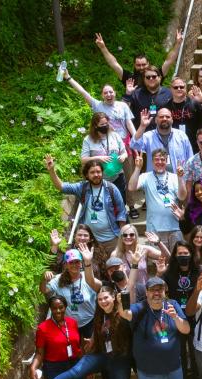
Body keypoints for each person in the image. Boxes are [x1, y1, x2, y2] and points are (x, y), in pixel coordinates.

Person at [63, 73, 138, 219]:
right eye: (105, 92)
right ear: (102, 95)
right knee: (106, 180)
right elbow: (83, 92)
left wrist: (137, 141)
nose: (109, 94)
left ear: (115, 93)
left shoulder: (123, 106)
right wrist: (69, 78)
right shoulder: (98, 106)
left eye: (111, 92)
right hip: (101, 148)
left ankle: (131, 205)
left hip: (121, 146)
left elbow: (129, 124)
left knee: (127, 178)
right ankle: (109, 212)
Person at [45, 155, 127, 253]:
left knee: (113, 267)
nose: (96, 175)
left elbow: (121, 214)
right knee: (92, 267)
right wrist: (51, 170)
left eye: (98, 172)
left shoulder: (111, 189)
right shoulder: (82, 188)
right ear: (87, 175)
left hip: (111, 240)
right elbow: (61, 187)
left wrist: (122, 237)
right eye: (92, 172)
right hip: (89, 241)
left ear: (102, 173)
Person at [160, 242, 202, 379]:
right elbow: (159, 290)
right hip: (175, 315)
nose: (183, 256)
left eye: (186, 254)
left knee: (195, 349)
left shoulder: (199, 271)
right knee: (179, 351)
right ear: (175, 255)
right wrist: (160, 273)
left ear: (191, 254)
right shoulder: (169, 272)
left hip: (195, 314)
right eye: (180, 254)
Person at [128, 149, 188, 249]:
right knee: (160, 261)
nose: (159, 162)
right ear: (152, 161)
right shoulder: (145, 176)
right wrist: (138, 168)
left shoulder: (174, 177)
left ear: (166, 161)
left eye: (162, 159)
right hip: (155, 228)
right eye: (156, 159)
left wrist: (180, 178)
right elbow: (131, 187)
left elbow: (182, 196)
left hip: (175, 227)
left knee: (176, 260)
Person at [40, 248, 100, 340]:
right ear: (66, 264)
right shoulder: (58, 279)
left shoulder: (87, 276)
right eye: (71, 262)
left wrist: (88, 261)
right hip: (70, 324)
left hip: (90, 321)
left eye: (77, 262)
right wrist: (43, 278)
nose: (74, 265)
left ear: (81, 263)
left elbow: (96, 284)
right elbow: (44, 290)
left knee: (90, 348)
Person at [94, 31, 182, 90]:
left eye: (144, 64)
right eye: (138, 65)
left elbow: (169, 61)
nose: (141, 67)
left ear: (148, 63)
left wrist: (178, 43)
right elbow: (114, 64)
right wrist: (103, 47)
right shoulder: (129, 78)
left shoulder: (156, 74)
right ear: (134, 65)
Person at [81, 112, 129, 210]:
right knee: (104, 205)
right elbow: (83, 160)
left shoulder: (115, 135)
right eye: (102, 125)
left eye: (106, 123)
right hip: (99, 178)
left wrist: (123, 157)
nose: (105, 126)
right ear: (95, 126)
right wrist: (98, 158)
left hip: (117, 175)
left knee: (120, 202)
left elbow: (124, 152)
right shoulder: (88, 140)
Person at [111, 225, 166, 302]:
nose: (128, 237)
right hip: (127, 293)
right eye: (125, 235)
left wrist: (159, 242)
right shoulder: (115, 254)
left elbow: (167, 256)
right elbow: (113, 277)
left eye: (131, 234)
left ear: (136, 236)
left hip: (145, 292)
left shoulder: (144, 249)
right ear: (121, 237)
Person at [163, 77, 202, 152]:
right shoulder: (166, 106)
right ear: (171, 89)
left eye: (181, 87)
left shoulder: (194, 103)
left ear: (185, 88)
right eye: (176, 87)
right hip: (174, 145)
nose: (179, 89)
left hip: (194, 145)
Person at [130, 108, 193, 173]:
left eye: (167, 117)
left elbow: (190, 159)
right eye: (161, 117)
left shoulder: (181, 136)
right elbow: (134, 145)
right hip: (155, 180)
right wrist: (142, 126)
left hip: (178, 179)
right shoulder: (148, 137)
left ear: (172, 120)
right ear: (156, 120)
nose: (164, 119)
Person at [126, 65, 173, 132]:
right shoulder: (136, 94)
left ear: (160, 78)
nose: (151, 79)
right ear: (144, 79)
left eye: (154, 76)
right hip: (142, 135)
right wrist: (128, 94)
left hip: (164, 133)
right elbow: (124, 111)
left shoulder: (168, 93)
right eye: (148, 77)